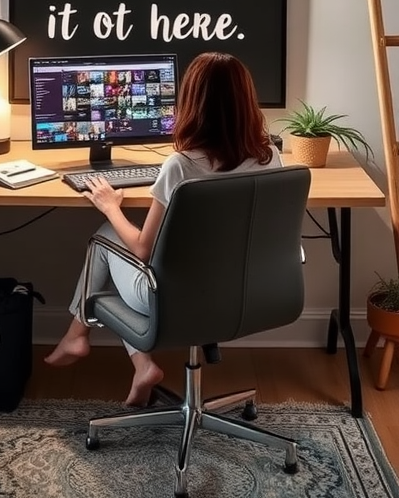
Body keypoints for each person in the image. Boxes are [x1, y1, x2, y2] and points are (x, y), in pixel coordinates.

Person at [45, 52, 283, 406]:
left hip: (173, 298)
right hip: (247, 293)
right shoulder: (269, 157)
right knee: (121, 241)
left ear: (192, 103)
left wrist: (111, 207)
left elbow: (142, 249)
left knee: (105, 236)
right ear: (246, 100)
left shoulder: (180, 166)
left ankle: (85, 337)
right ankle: (101, 347)